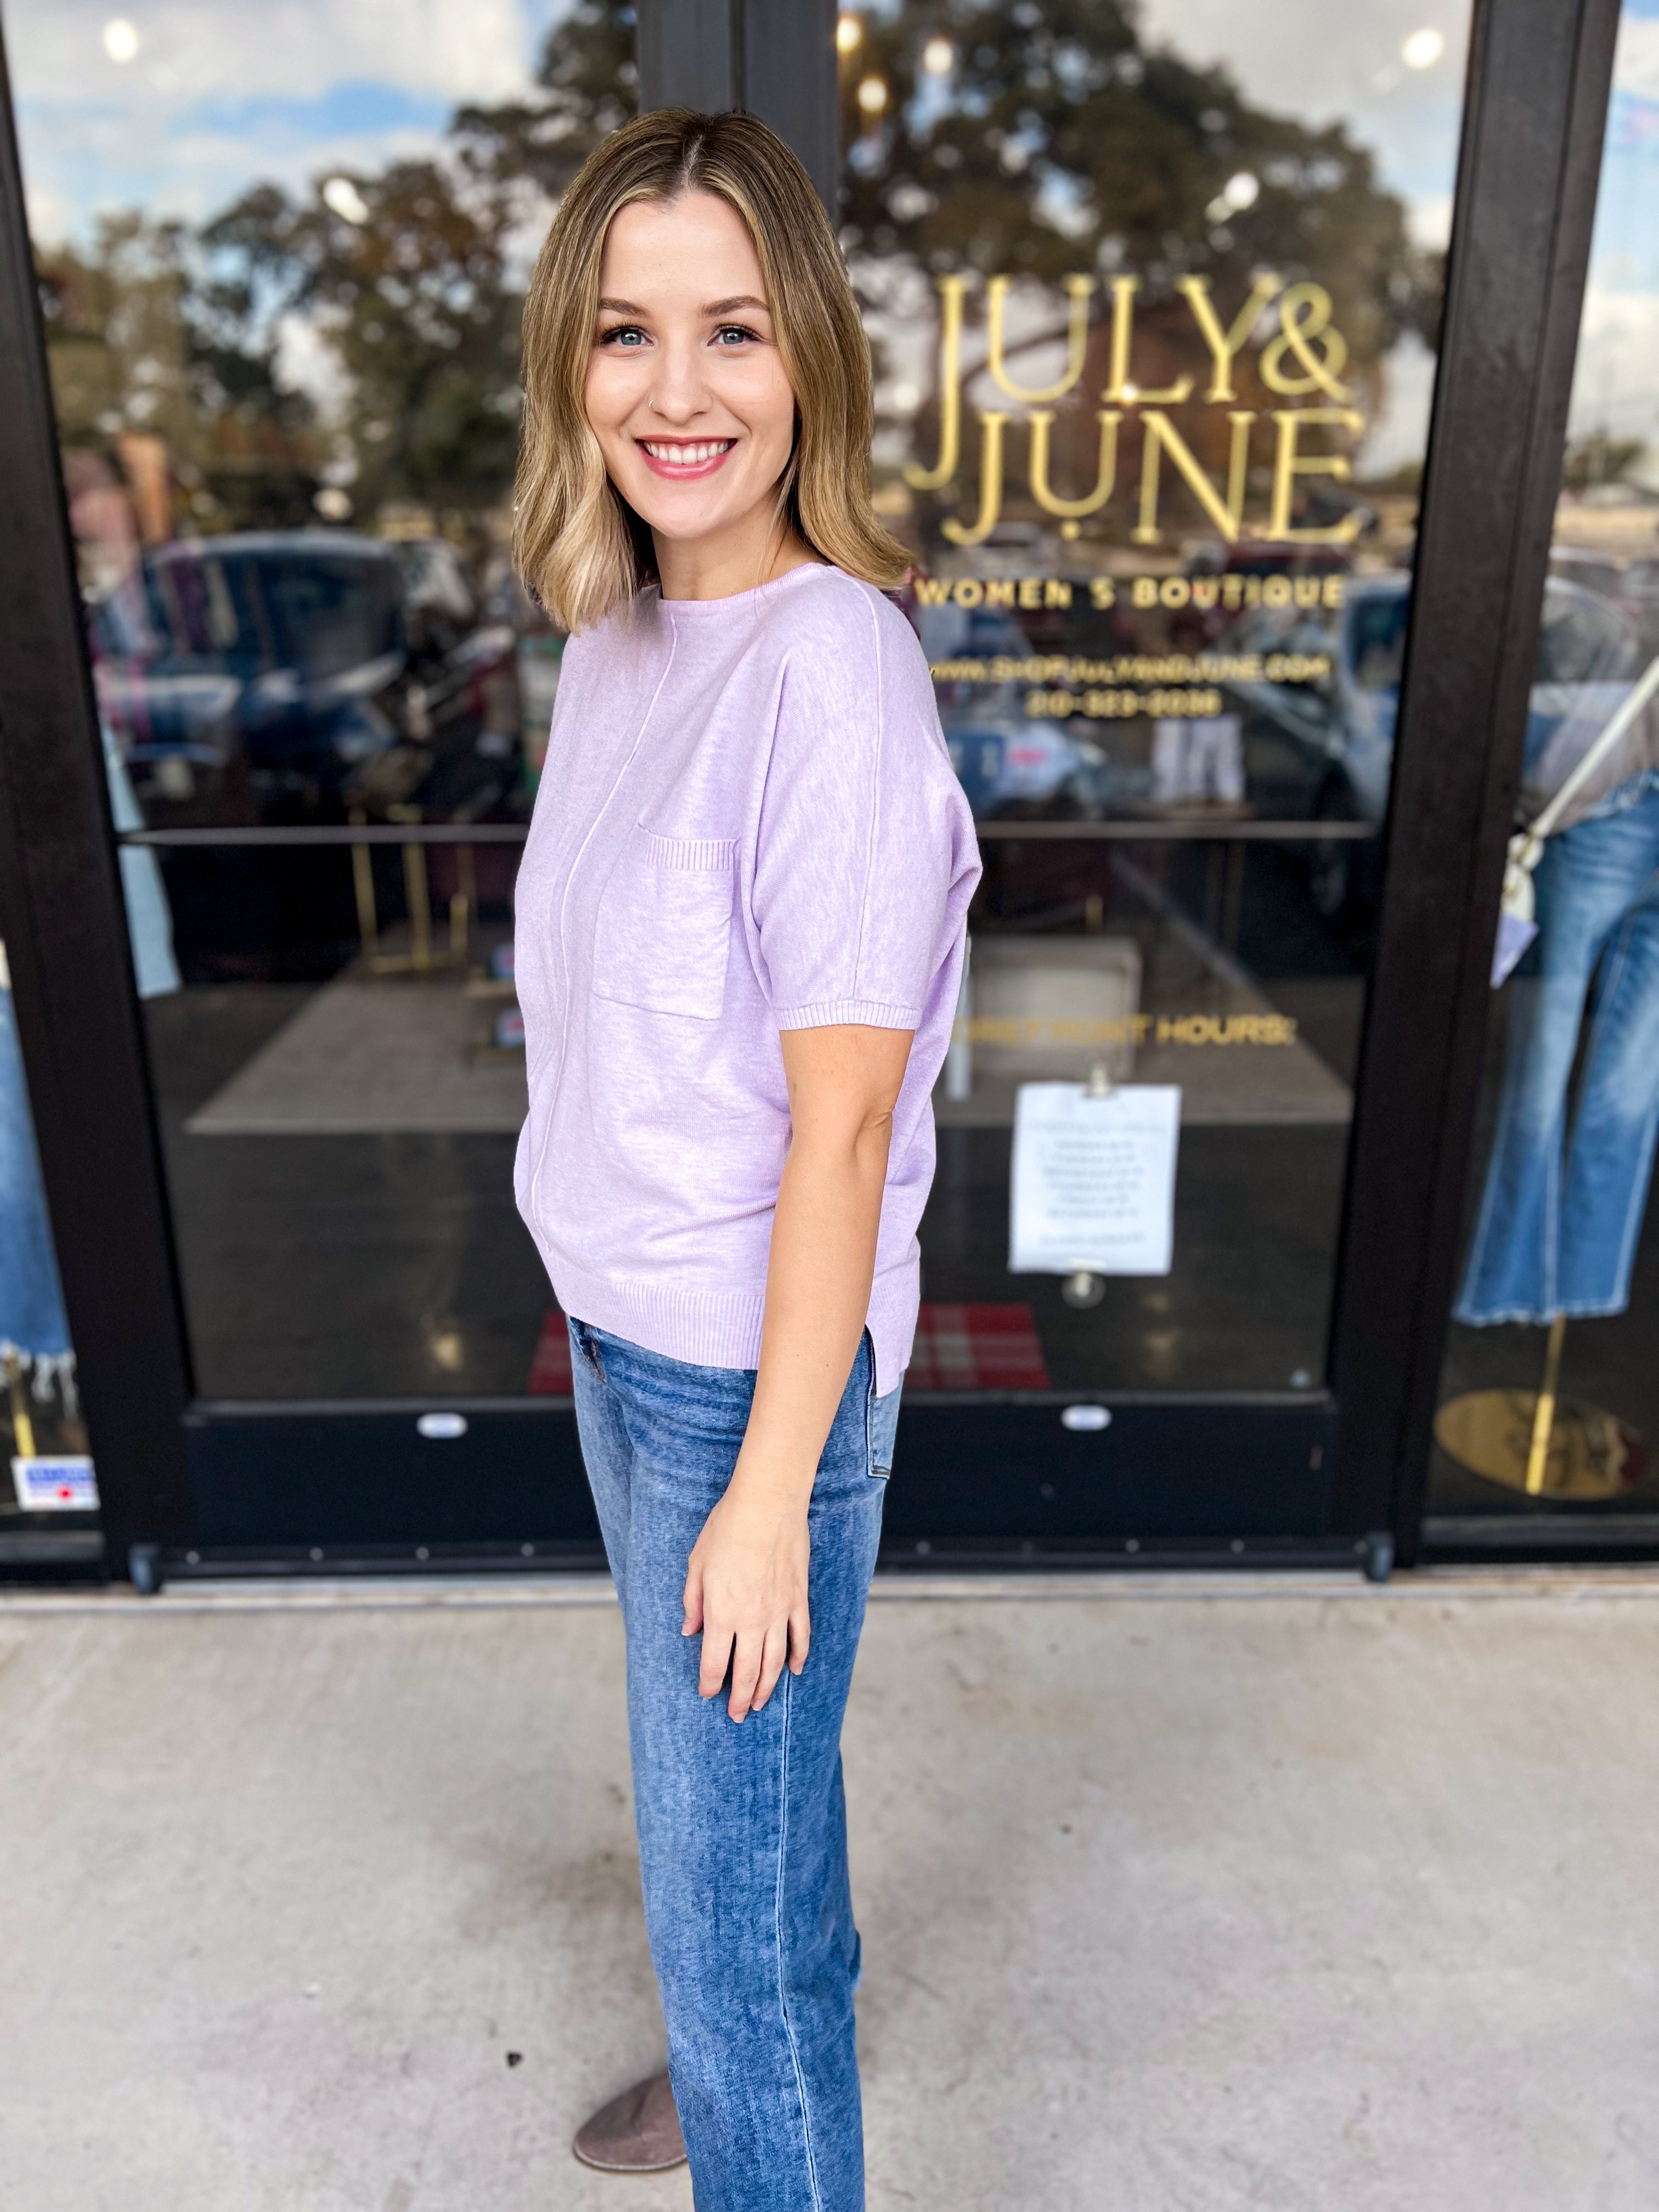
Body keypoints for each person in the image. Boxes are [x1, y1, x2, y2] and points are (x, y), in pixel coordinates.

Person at [510, 108, 980, 2210]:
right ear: (570, 365)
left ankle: (756, 2100)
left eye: (732, 331)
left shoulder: (835, 670)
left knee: (724, 1897)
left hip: (740, 1378)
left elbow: (849, 1119)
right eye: (626, 333)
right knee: (739, 1820)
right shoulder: (618, 641)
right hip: (627, 1333)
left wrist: (775, 1484)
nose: (675, 392)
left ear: (810, 359)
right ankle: (737, 2051)